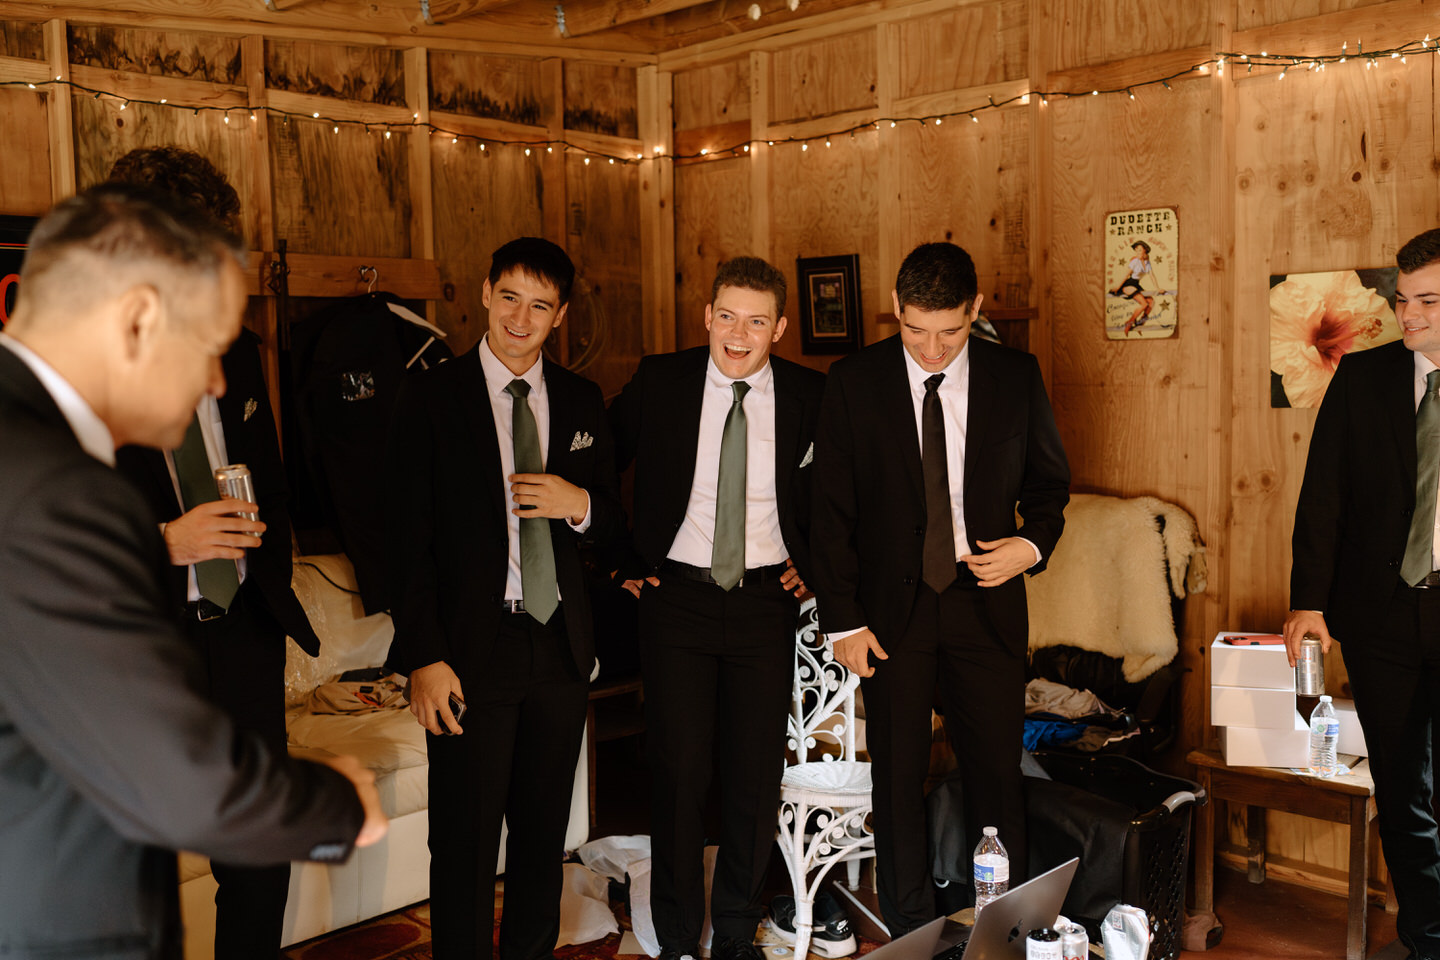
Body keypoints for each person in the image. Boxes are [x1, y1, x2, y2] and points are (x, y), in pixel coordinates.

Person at [0, 183, 387, 959]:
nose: (219, 382)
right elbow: (171, 774)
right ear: (140, 317)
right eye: (209, 345)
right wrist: (335, 804)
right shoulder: (56, 486)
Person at [810, 241, 1070, 936]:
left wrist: (1030, 545)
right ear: (895, 309)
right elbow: (827, 513)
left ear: (975, 311)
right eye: (914, 330)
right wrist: (842, 622)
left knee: (995, 776)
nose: (930, 348)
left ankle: (1002, 930)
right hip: (886, 614)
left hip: (982, 603)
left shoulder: (1016, 377)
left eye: (949, 332)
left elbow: (1049, 489)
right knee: (896, 780)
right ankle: (912, 932)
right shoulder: (853, 381)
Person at [106, 145, 322, 960]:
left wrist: (262, 543)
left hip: (241, 635)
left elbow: (269, 472)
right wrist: (167, 541)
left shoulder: (234, 342)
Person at [385, 237, 623, 960]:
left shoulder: (581, 400)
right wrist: (424, 654)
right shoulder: (429, 397)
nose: (522, 318)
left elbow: (615, 526)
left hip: (557, 646)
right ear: (485, 293)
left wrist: (576, 500)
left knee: (541, 838)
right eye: (510, 297)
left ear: (561, 316)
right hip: (468, 650)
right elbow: (402, 542)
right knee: (463, 841)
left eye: (541, 305)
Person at [608, 256, 824, 960]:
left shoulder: (810, 397)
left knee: (753, 776)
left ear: (780, 328)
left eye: (757, 321)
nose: (739, 333)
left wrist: (813, 566)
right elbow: (593, 465)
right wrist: (621, 562)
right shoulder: (661, 382)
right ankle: (676, 938)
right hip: (677, 603)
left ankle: (733, 934)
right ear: (706, 315)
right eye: (727, 315)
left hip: (766, 604)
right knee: (678, 770)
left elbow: (848, 495)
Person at [1285, 227, 1440, 960]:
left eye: (1429, 302)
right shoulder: (1365, 378)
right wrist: (1309, 602)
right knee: (1404, 794)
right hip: (1381, 620)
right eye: (1403, 300)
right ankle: (1426, 939)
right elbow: (1324, 497)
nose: (1409, 317)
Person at [1108, 240, 1154, 334]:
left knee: (1151, 302)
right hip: (1129, 284)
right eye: (1136, 250)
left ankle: (1140, 323)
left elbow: (1152, 276)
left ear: (1145, 251)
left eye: (1140, 250)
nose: (1137, 252)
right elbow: (1126, 276)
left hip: (1136, 285)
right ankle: (1129, 322)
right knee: (1144, 304)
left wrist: (1158, 288)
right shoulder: (1134, 261)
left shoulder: (1147, 263)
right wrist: (1117, 287)